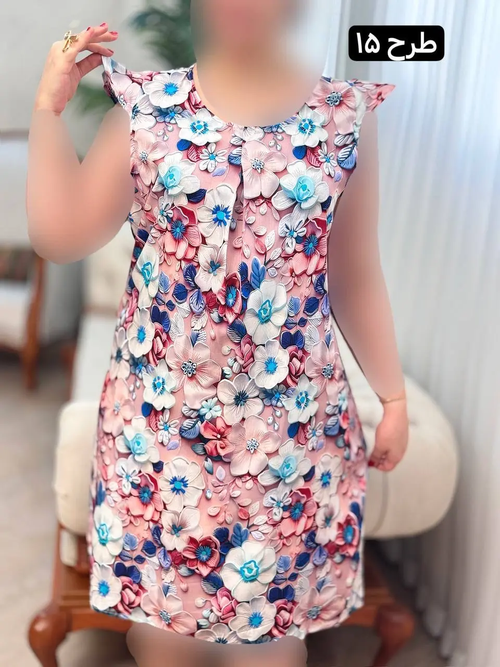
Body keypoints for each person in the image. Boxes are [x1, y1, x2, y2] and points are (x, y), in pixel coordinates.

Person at [27, 1, 409, 665]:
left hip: (291, 433)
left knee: (273, 642)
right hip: (161, 430)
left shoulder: (343, 118)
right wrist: (47, 113)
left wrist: (393, 395)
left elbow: (352, 272)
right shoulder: (148, 111)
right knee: (164, 636)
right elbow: (62, 236)